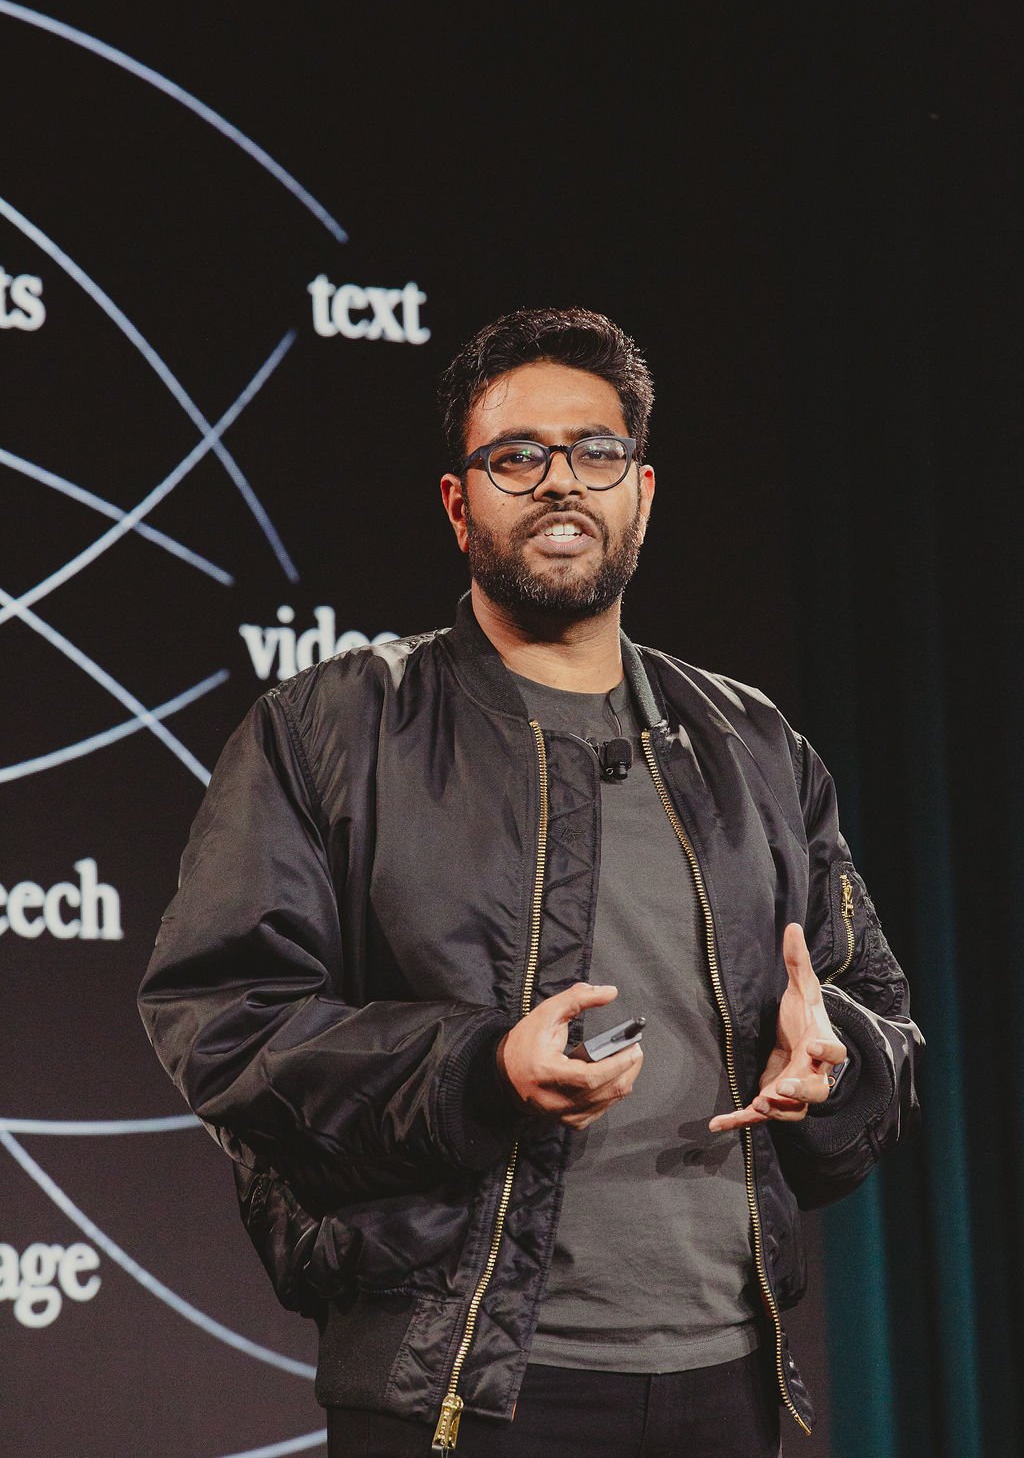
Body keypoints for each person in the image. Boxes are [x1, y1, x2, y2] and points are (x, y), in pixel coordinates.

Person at [139, 307, 922, 1458]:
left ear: (640, 493)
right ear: (459, 504)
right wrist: (483, 1068)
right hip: (463, 1380)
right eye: (516, 456)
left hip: (726, 1377)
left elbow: (879, 1016)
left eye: (594, 452)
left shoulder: (755, 744)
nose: (560, 481)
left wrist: (838, 1058)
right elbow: (224, 1023)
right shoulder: (329, 729)